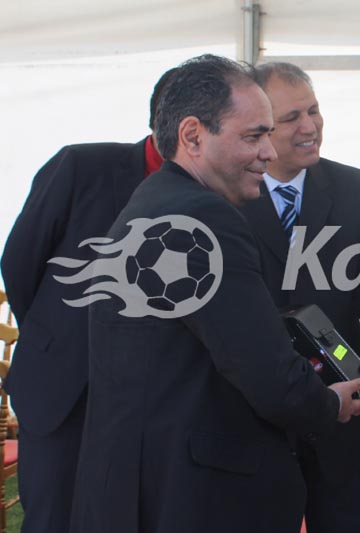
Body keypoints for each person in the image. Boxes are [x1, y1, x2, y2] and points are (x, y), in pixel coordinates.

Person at [68, 54, 360, 533]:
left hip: (143, 479)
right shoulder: (206, 219)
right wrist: (332, 402)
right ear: (193, 136)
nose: (268, 153)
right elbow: (265, 370)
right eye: (253, 136)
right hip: (198, 493)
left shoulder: (153, 200)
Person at [0, 66, 176, 533]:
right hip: (66, 390)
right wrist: (57, 335)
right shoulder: (81, 166)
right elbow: (20, 264)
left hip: (159, 402)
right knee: (54, 517)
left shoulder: (224, 189)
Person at [238, 62, 360, 533]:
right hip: (250, 425)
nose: (310, 126)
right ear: (258, 126)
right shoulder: (222, 194)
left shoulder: (357, 190)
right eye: (292, 117)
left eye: (314, 110)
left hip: (341, 427)